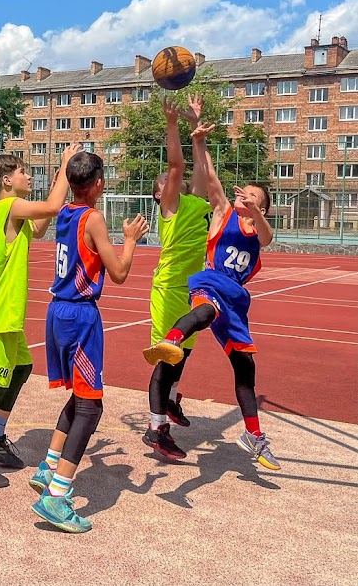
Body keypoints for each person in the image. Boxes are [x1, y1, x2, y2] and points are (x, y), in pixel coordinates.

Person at [143, 125, 280, 471]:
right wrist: (198, 138)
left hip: (236, 302)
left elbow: (266, 238)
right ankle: (170, 339)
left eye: (252, 196)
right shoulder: (222, 212)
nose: (242, 196)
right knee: (203, 311)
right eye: (242, 193)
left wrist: (257, 212)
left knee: (245, 368)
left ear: (261, 206)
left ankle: (253, 434)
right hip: (210, 282)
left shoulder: (257, 229)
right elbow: (211, 176)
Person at [29, 151, 148, 533]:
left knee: (80, 398)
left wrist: (64, 165)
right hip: (81, 316)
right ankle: (58, 495)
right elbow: (119, 273)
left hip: (56, 312)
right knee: (91, 408)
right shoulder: (93, 218)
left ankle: (49, 466)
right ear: (98, 183)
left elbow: (57, 196)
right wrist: (130, 240)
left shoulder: (62, 211)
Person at [0, 145, 78, 488]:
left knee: (20, 368)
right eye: (24, 172)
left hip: (7, 309)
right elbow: (53, 205)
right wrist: (66, 167)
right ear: (7, 181)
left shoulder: (12, 211)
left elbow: (39, 229)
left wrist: (58, 182)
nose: (28, 176)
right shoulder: (9, 206)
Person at [143, 95, 213, 460]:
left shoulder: (197, 203)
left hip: (192, 288)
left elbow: (199, 172)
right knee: (168, 357)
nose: (171, 183)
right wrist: (172, 125)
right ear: (160, 194)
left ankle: (169, 402)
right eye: (165, 184)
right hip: (169, 288)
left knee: (182, 354)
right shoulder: (170, 206)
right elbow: (177, 166)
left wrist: (196, 131)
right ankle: (156, 428)